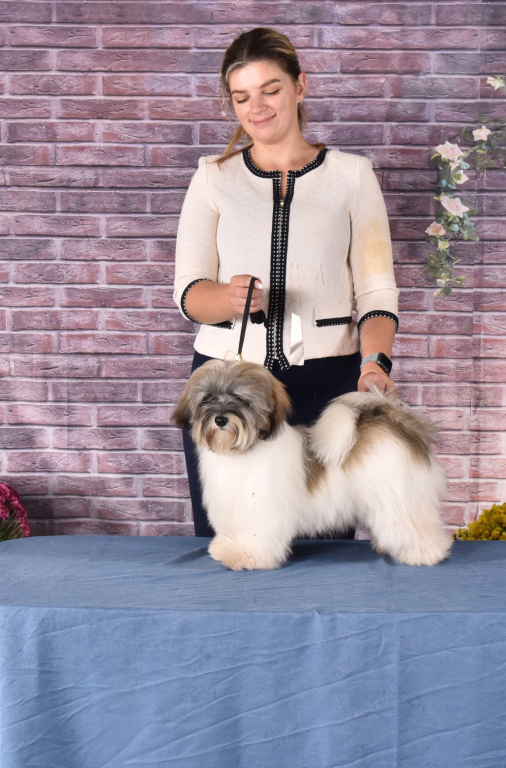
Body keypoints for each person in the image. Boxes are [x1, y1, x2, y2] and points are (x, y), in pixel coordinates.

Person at [173, 28, 400, 537]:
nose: (256, 107)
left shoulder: (352, 176)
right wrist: (227, 297)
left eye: (270, 89)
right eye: (241, 97)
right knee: (235, 547)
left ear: (300, 87)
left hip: (327, 387)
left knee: (324, 552)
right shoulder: (212, 177)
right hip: (228, 390)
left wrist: (374, 364)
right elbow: (188, 293)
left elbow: (377, 291)